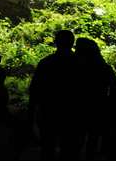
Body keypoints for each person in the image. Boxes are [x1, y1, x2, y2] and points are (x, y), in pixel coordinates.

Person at [29, 30, 83, 159]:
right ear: (72, 43)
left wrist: (31, 113)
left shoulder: (46, 62)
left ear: (55, 42)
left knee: (48, 148)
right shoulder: (81, 64)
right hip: (73, 113)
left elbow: (35, 89)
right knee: (70, 150)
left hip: (49, 111)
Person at [74, 37, 116, 159]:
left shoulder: (72, 67)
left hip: (75, 107)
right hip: (97, 108)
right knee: (93, 139)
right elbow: (115, 89)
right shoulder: (103, 67)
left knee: (74, 141)